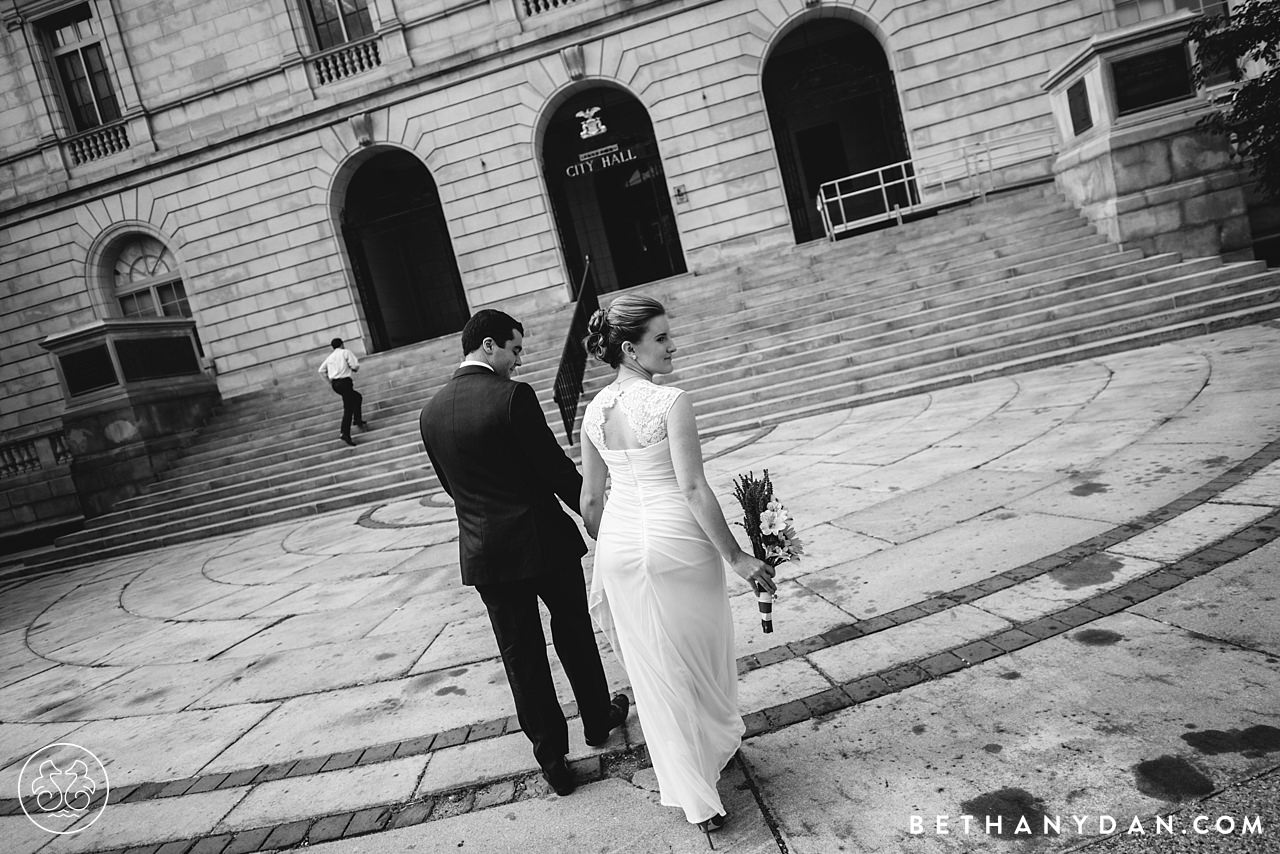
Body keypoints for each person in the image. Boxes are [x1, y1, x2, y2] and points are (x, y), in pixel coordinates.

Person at [580, 294, 777, 839]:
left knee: (655, 673)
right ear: (630, 348)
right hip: (676, 544)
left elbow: (590, 502)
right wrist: (736, 556)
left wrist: (616, 542)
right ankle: (712, 748)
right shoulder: (670, 402)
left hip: (619, 547)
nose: (672, 345)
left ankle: (695, 793)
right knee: (700, 656)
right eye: (662, 338)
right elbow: (691, 487)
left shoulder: (593, 412)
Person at [419, 309, 629, 797]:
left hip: (485, 553)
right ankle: (597, 720)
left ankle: (553, 759)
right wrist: (596, 511)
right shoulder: (512, 395)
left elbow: (451, 487)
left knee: (521, 656)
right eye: (514, 349)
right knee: (574, 633)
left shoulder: (429, 413)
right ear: (488, 345)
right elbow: (553, 468)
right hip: (541, 542)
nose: (518, 360)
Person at [318, 337, 367, 446]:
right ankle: (344, 432)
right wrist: (353, 369)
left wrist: (329, 382)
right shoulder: (345, 352)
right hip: (345, 382)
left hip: (336, 384)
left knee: (357, 397)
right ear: (342, 344)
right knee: (348, 408)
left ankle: (357, 420)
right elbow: (355, 365)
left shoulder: (330, 357)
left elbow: (321, 370)